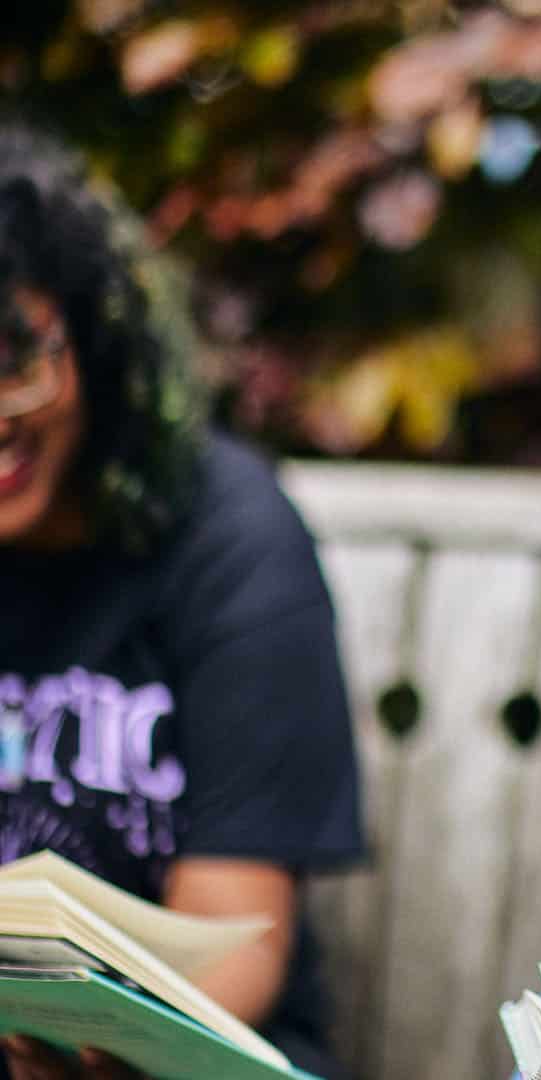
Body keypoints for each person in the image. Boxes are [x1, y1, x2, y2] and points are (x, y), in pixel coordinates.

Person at [0, 122, 364, 1079]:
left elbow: (238, 941)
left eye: (14, 358)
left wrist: (95, 1045)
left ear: (91, 335)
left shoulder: (229, 538)